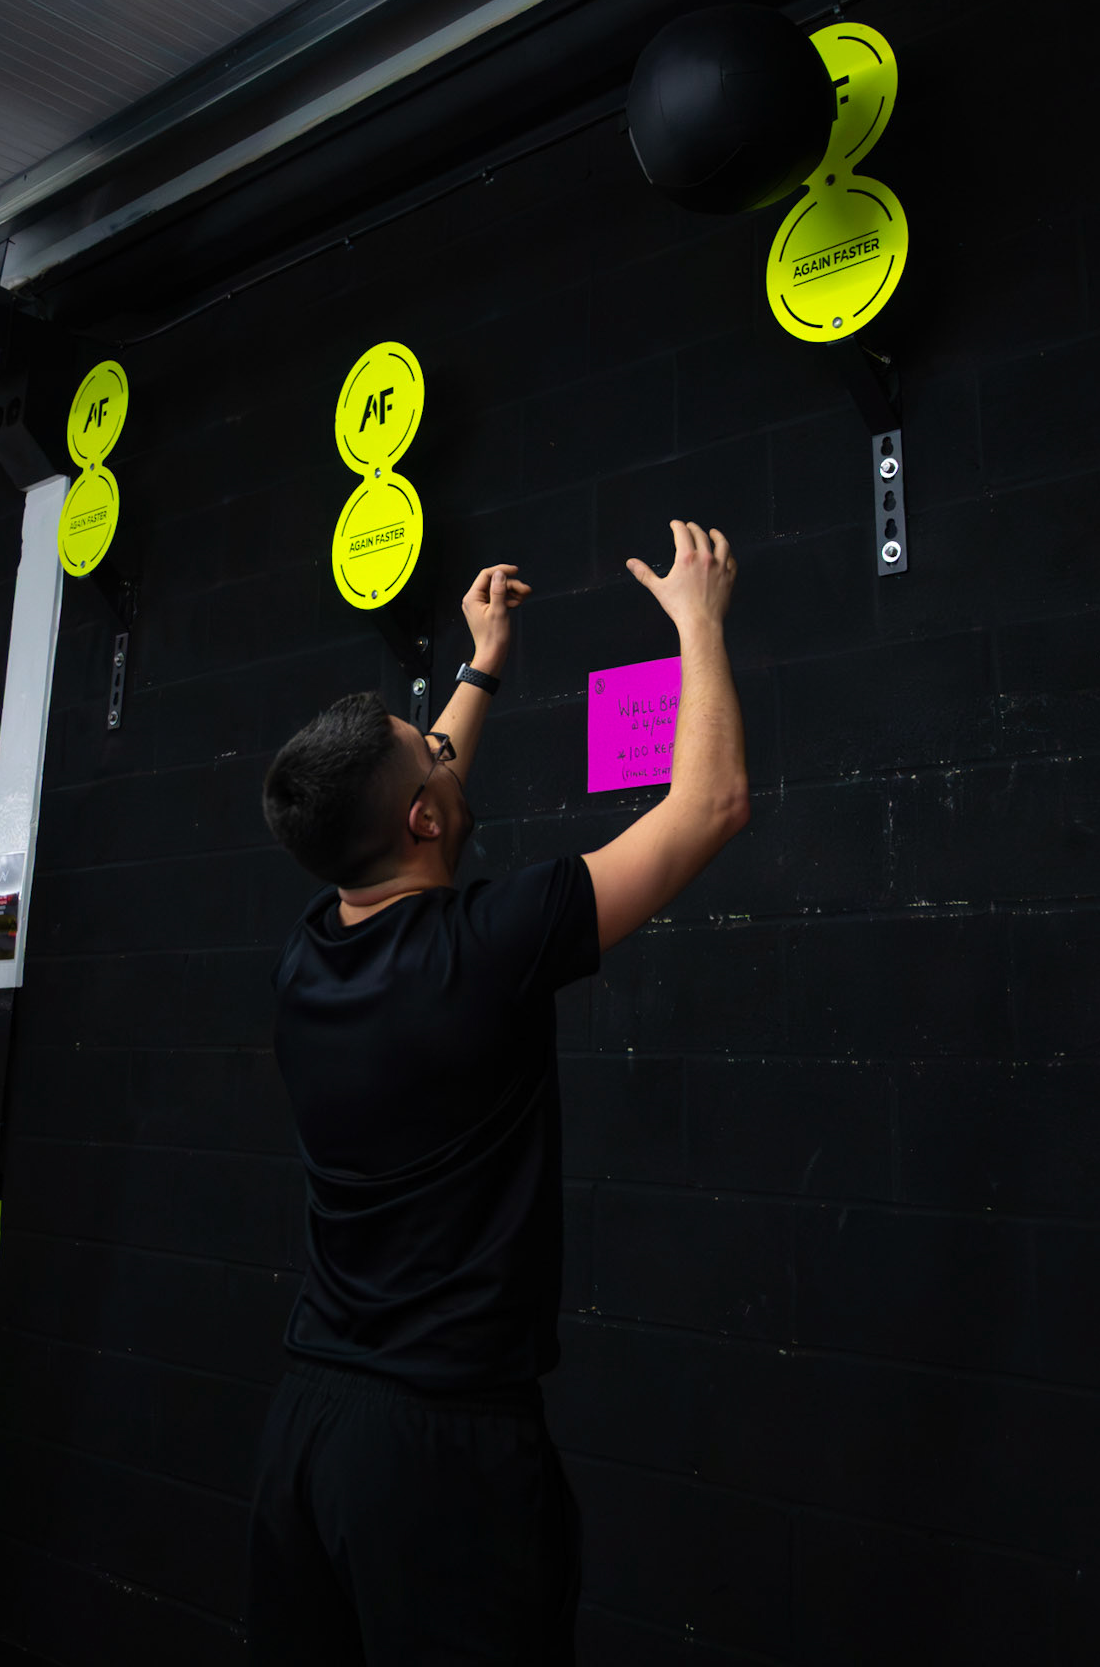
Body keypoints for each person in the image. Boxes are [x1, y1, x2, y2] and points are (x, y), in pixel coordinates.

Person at [247, 520, 749, 1666]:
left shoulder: (310, 951)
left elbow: (412, 803)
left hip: (310, 1432)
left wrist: (482, 662)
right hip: (440, 1455)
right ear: (424, 816)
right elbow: (711, 803)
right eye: (429, 751)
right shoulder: (488, 944)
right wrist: (699, 623)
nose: (443, 749)